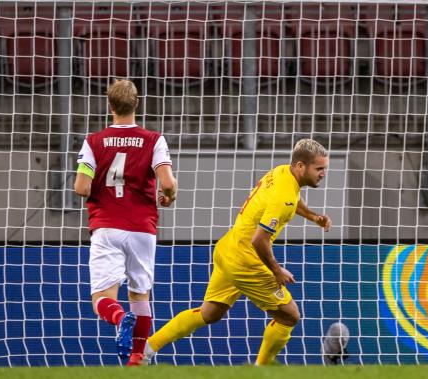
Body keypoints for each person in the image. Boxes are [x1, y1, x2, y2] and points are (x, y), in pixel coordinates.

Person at [143, 138, 331, 365]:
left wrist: (313, 216)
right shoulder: (284, 199)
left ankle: (147, 348)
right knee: (289, 316)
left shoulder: (282, 172)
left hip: (227, 248)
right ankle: (261, 369)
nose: (323, 173)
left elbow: (293, 199)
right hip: (245, 260)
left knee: (209, 313)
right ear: (300, 166)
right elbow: (259, 240)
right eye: (319, 168)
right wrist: (276, 270)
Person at [74, 79, 177, 366]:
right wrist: (169, 194)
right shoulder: (154, 139)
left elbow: (81, 188)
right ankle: (136, 358)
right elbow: (167, 182)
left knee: (102, 299)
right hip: (143, 228)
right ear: (137, 103)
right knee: (140, 295)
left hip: (107, 226)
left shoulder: (94, 141)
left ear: (110, 106)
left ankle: (120, 319)